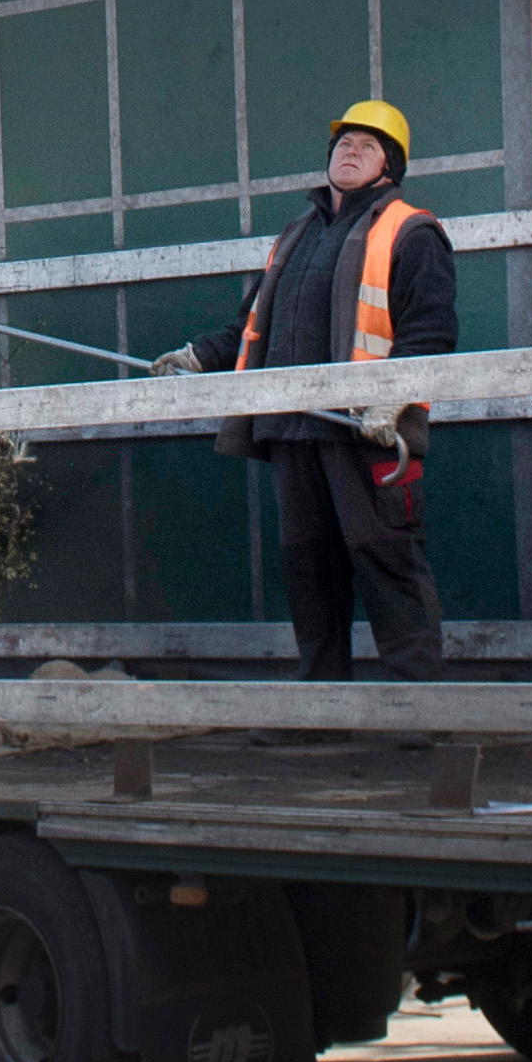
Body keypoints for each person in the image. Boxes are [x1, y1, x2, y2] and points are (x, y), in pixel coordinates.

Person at [155, 99, 455, 679]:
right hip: (294, 432)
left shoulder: (411, 230)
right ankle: (322, 702)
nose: (351, 150)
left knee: (386, 559)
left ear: (390, 166)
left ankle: (418, 705)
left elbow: (433, 330)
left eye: (368, 146)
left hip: (368, 432)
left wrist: (394, 396)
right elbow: (253, 323)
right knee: (309, 569)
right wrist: (198, 356)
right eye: (344, 142)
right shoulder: (297, 234)